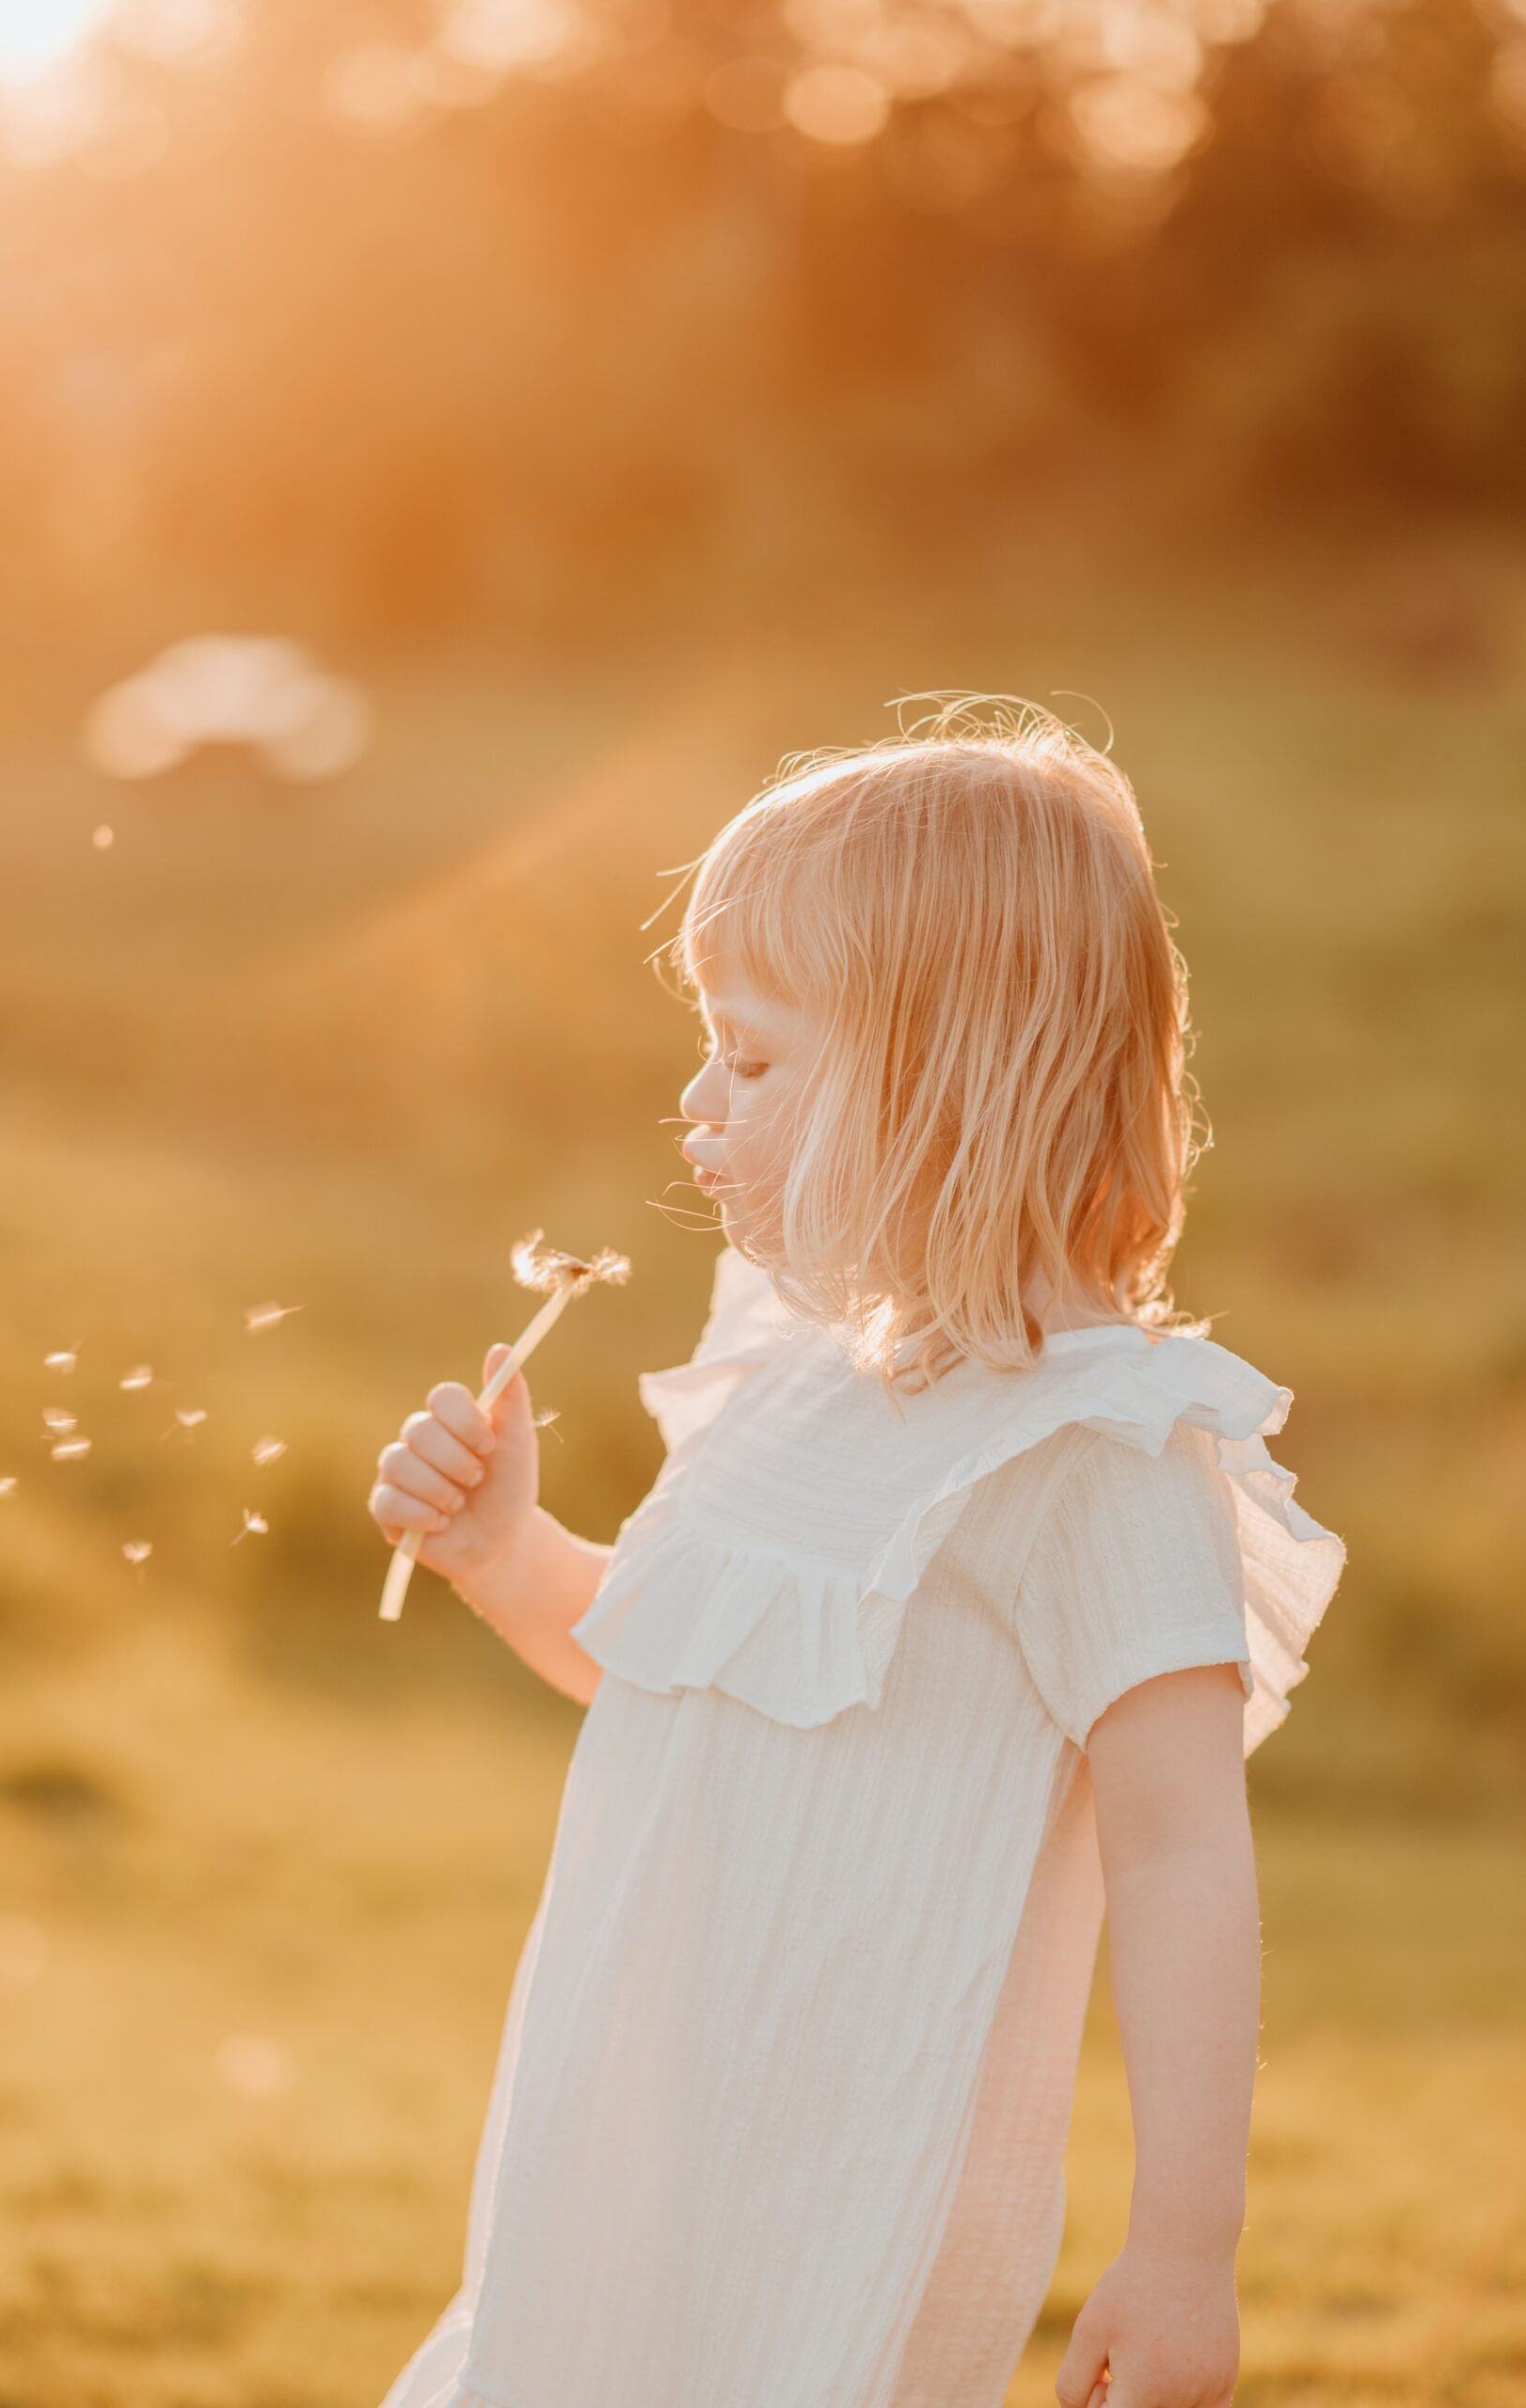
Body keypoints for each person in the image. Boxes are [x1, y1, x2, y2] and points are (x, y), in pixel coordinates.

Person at [367, 697, 1347, 2408]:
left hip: (844, 2207)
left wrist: (1184, 2250)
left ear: (945, 1079)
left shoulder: (1094, 1454)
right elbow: (676, 1682)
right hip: (629, 2135)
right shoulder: (796, 1378)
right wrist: (509, 1553)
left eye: (752, 1059)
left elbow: (1183, 1852)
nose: (696, 1101)